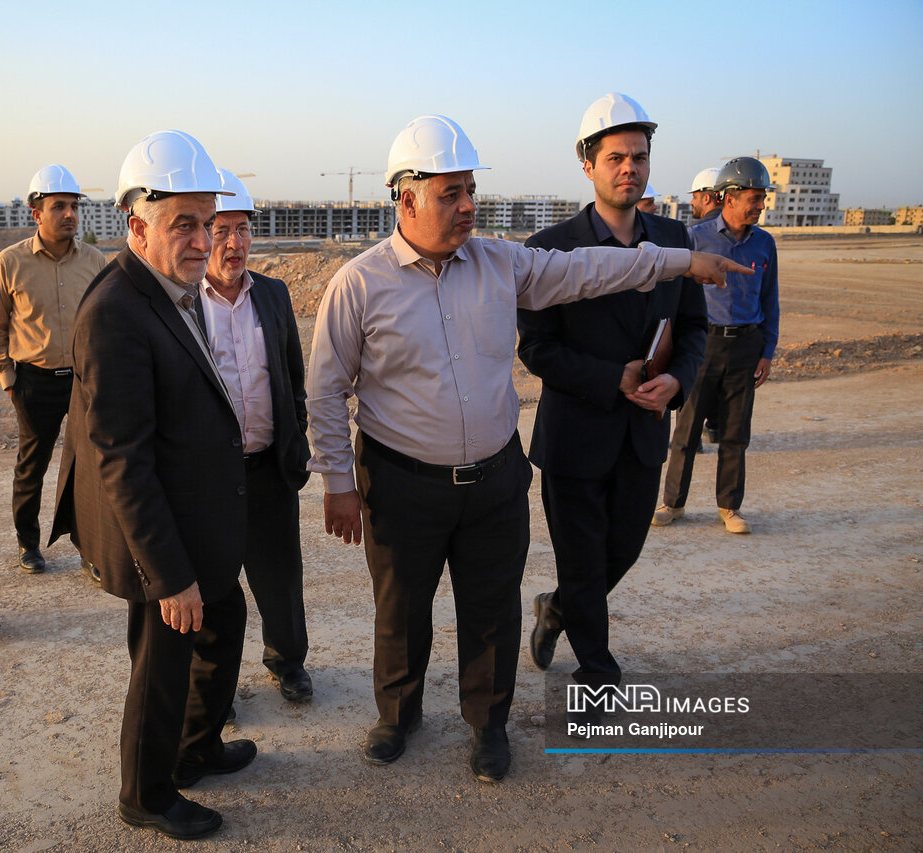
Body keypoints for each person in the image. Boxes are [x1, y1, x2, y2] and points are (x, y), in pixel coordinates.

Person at [306, 114, 748, 782]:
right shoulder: (359, 283)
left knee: (492, 607)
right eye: (451, 194)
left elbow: (590, 269)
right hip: (400, 482)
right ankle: (397, 714)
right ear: (407, 199)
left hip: (494, 479)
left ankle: (488, 725)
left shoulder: (502, 263)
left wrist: (683, 261)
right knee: (401, 607)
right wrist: (338, 483)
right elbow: (325, 391)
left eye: (470, 191)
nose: (467, 206)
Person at [49, 131, 254, 840]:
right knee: (163, 659)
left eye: (208, 223)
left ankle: (196, 748)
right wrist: (168, 576)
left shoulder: (172, 287)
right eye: (183, 225)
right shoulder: (116, 311)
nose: (203, 241)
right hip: (159, 532)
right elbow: (121, 458)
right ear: (137, 227)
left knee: (224, 622)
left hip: (194, 513)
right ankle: (146, 792)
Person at [518, 94, 707, 704]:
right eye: (616, 158)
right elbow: (537, 348)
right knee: (583, 562)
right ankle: (598, 675)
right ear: (588, 165)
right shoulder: (550, 248)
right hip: (576, 436)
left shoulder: (674, 240)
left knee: (620, 552)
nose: (630, 168)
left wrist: (677, 381)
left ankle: (557, 609)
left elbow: (694, 329)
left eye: (640, 157)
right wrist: (611, 377)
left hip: (643, 434)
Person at [199, 169, 313, 703]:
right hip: (211, 477)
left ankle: (287, 660)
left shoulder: (273, 294)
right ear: (202, 234)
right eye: (221, 230)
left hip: (268, 467)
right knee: (210, 586)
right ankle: (211, 691)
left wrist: (296, 438)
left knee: (280, 577)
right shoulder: (184, 302)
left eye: (242, 229)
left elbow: (292, 376)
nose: (234, 243)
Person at [0, 165, 106, 576]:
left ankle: (91, 549)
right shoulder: (9, 262)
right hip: (33, 381)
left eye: (74, 206)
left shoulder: (94, 260)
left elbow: (106, 321)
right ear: (36, 213)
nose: (70, 214)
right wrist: (9, 380)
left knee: (91, 468)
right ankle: (28, 544)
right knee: (31, 467)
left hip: (84, 381)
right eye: (59, 206)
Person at [653, 157, 780, 535]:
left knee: (735, 433)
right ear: (730, 198)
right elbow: (673, 298)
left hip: (746, 347)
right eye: (755, 198)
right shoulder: (696, 238)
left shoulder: (765, 244)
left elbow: (770, 301)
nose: (761, 206)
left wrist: (767, 352)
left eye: (762, 198)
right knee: (686, 432)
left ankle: (729, 507)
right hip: (702, 345)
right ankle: (672, 503)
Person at [687, 165, 725, 443]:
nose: (691, 203)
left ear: (707, 197)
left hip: (702, 327)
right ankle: (715, 427)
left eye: (694, 197)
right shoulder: (751, 234)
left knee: (694, 386)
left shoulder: (693, 234)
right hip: (738, 333)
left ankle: (691, 438)